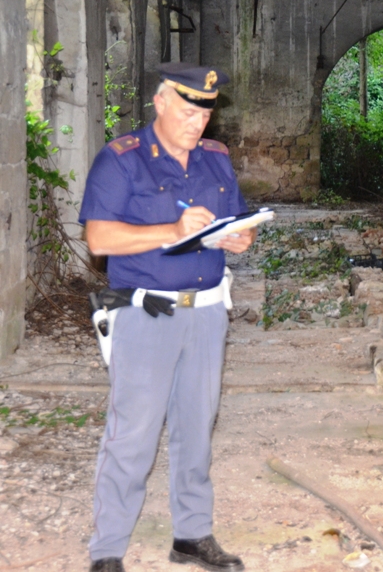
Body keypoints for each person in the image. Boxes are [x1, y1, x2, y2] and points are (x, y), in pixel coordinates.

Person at [79, 63, 254, 572]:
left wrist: (242, 237)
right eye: (187, 111)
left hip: (206, 313)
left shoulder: (216, 161)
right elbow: (99, 239)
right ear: (159, 103)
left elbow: (239, 221)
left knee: (196, 428)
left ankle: (192, 535)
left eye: (205, 113)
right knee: (133, 433)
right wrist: (172, 229)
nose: (197, 123)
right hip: (145, 311)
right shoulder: (122, 161)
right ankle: (108, 549)